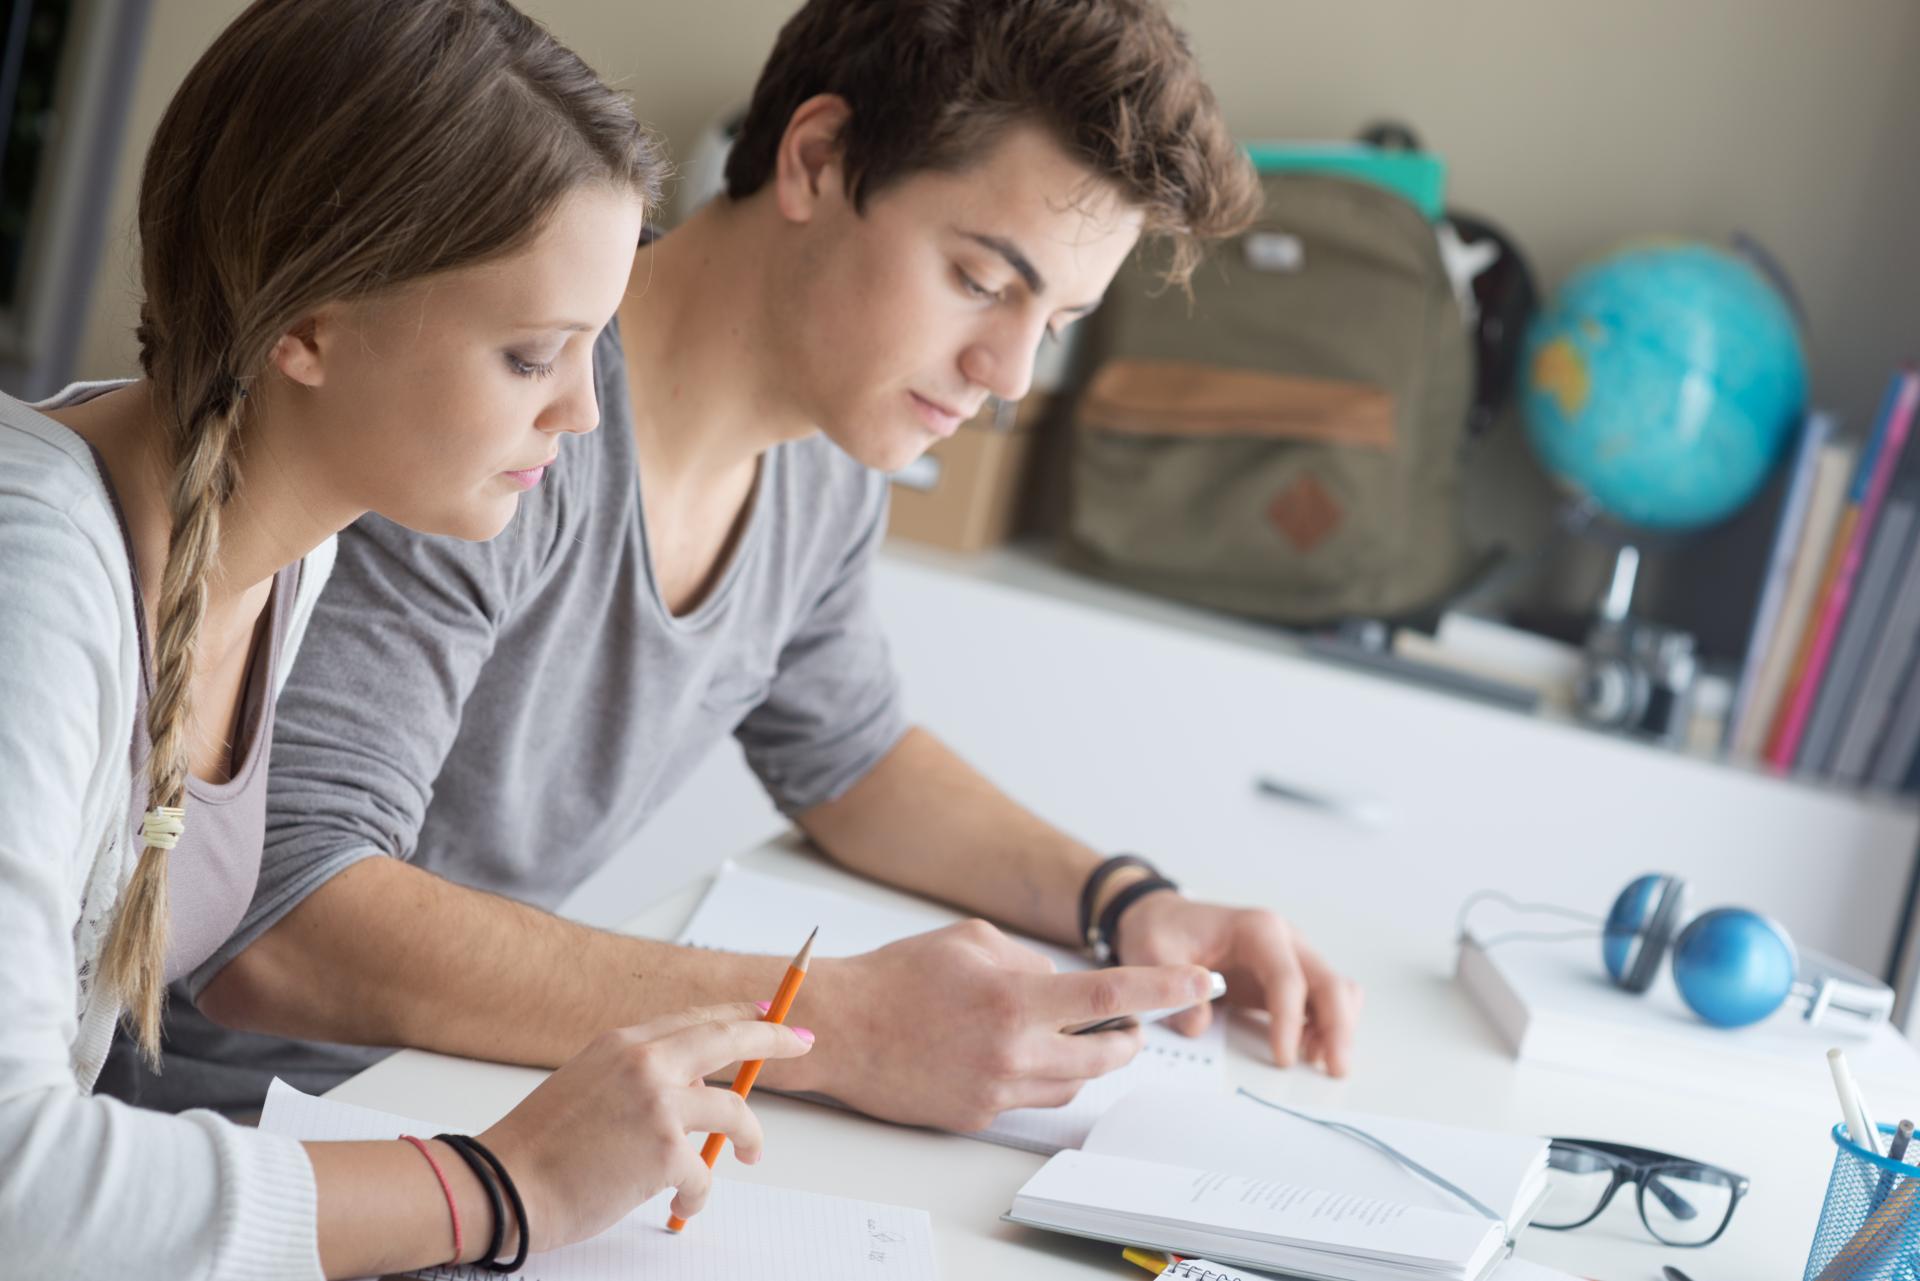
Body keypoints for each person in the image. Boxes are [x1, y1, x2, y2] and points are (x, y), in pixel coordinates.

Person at [138, 0, 1364, 1132]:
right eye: (982, 282)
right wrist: (827, 1024)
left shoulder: (826, 459)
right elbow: (283, 917)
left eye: (1054, 325)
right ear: (817, 159)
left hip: (460, 1109)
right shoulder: (495, 413)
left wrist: (1128, 900)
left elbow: (852, 756)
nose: (1009, 373)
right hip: (220, 1138)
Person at [0, 3, 810, 1276]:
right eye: (531, 353)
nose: (582, 414)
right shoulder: (33, 589)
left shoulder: (286, 548)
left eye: (595, 348)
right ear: (309, 326)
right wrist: (505, 1183)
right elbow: (15, 1190)